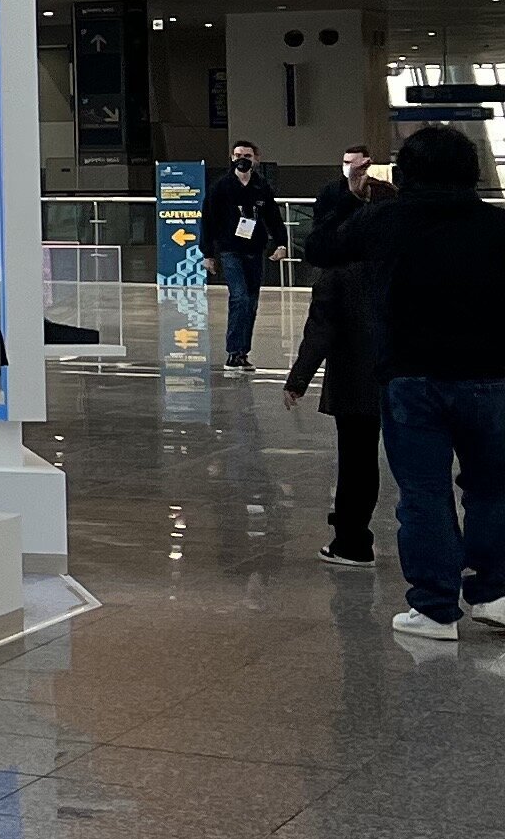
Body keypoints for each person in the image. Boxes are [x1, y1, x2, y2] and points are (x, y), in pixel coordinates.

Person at [306, 126, 505, 637]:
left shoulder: (385, 220)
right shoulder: (497, 225)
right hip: (491, 378)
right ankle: (495, 593)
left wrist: (349, 197)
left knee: (424, 493)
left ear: (406, 172)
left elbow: (321, 248)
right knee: (492, 489)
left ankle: (435, 609)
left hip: (411, 378)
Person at [284, 208, 382, 564]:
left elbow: (320, 333)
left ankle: (352, 541)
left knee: (357, 461)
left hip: (356, 382)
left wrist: (298, 379)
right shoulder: (399, 266)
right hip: (406, 376)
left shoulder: (337, 277)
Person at [210, 139, 280, 370]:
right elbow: (208, 219)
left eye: (247, 156)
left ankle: (242, 352)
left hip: (254, 250)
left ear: (255, 159)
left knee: (251, 302)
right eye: (238, 155)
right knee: (239, 297)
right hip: (230, 250)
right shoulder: (221, 187)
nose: (242, 160)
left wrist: (281, 242)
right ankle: (233, 351)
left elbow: (273, 216)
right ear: (232, 158)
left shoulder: (261, 186)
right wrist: (207, 253)